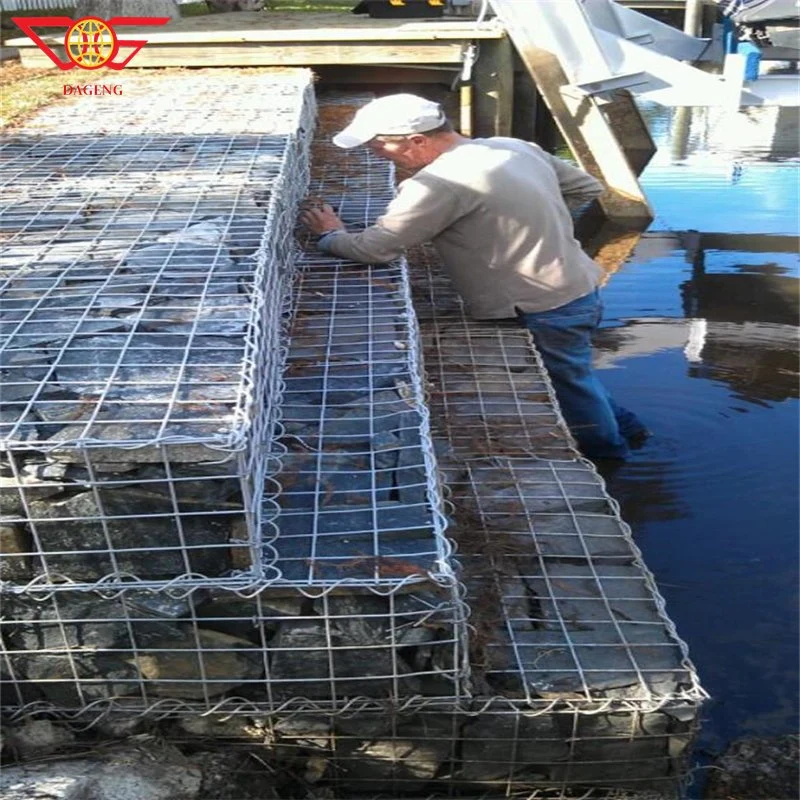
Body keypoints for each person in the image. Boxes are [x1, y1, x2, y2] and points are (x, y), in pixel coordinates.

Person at [301, 93, 648, 460]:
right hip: (579, 284)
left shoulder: (435, 185)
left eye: (378, 145)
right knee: (574, 372)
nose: (374, 154)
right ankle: (632, 430)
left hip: (540, 304)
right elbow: (585, 189)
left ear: (415, 142)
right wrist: (526, 219)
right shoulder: (514, 147)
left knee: (570, 384)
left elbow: (374, 248)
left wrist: (331, 235)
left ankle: (610, 457)